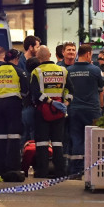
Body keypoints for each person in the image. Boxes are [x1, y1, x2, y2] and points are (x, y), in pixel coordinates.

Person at [29, 46, 74, 178]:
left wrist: (49, 101)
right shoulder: (63, 71)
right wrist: (65, 103)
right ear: (50, 55)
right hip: (59, 112)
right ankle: (60, 171)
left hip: (42, 111)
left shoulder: (36, 72)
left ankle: (42, 171)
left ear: (38, 58)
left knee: (42, 142)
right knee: (58, 142)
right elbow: (71, 90)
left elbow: (35, 93)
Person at [66, 44, 104, 177]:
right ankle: (91, 171)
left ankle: (76, 171)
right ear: (88, 54)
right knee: (93, 140)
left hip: (74, 110)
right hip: (92, 111)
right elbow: (101, 89)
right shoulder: (95, 70)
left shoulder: (69, 70)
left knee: (76, 139)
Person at [0, 49, 28, 182]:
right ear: (16, 59)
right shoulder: (18, 71)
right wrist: (21, 100)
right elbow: (25, 90)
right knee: (13, 136)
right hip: (13, 104)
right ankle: (12, 168)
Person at [22, 35, 42, 142]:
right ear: (31, 47)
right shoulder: (20, 62)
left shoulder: (37, 63)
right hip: (25, 106)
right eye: (37, 47)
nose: (39, 49)